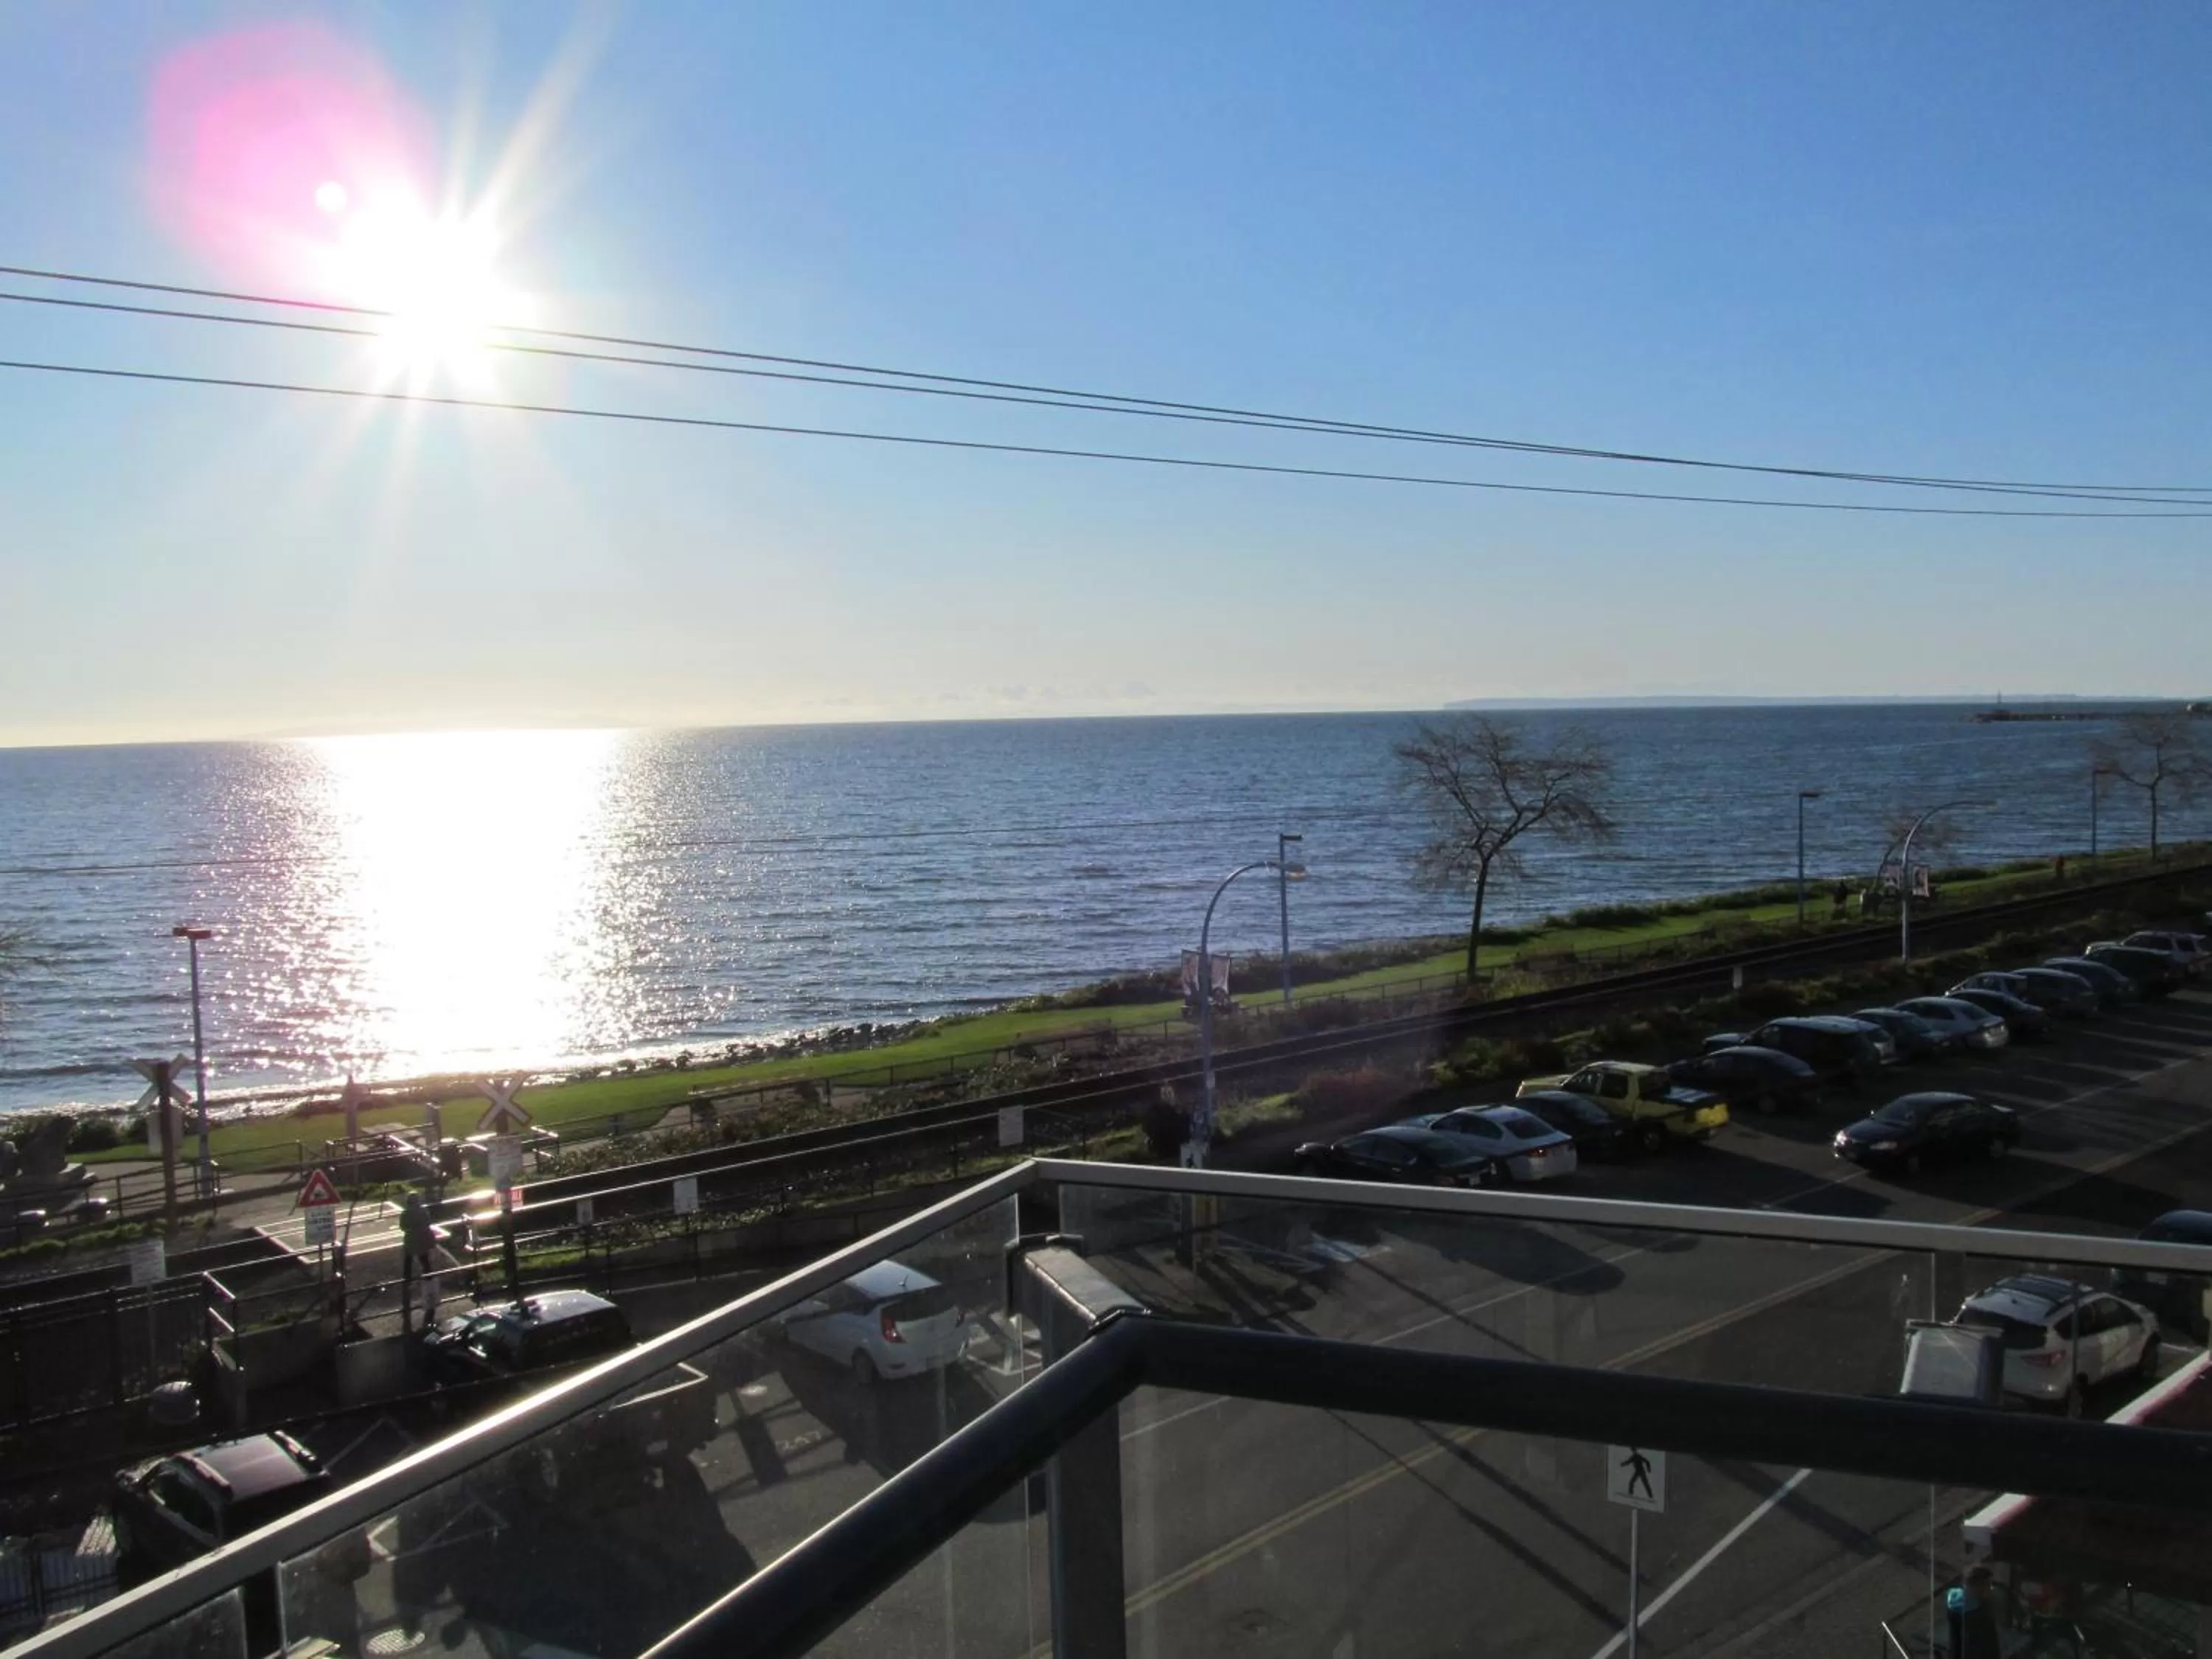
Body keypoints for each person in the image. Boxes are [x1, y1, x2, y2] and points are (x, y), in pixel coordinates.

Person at [1944, 1563, 2002, 1659]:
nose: (1991, 1589)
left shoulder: (1954, 1604)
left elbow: (1956, 1643)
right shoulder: (1981, 1614)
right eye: (1988, 1585)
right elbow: (1990, 1647)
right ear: (1978, 1588)